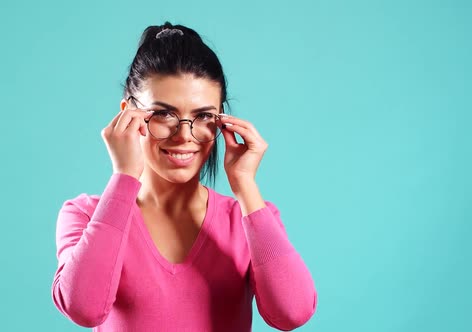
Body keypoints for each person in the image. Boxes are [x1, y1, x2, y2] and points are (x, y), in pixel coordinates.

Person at [51, 22, 317, 331]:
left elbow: (292, 313)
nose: (184, 135)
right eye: (163, 114)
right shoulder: (85, 215)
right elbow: (83, 307)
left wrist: (245, 185)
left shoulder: (250, 220)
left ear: (221, 122)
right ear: (127, 114)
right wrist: (125, 176)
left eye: (203, 116)